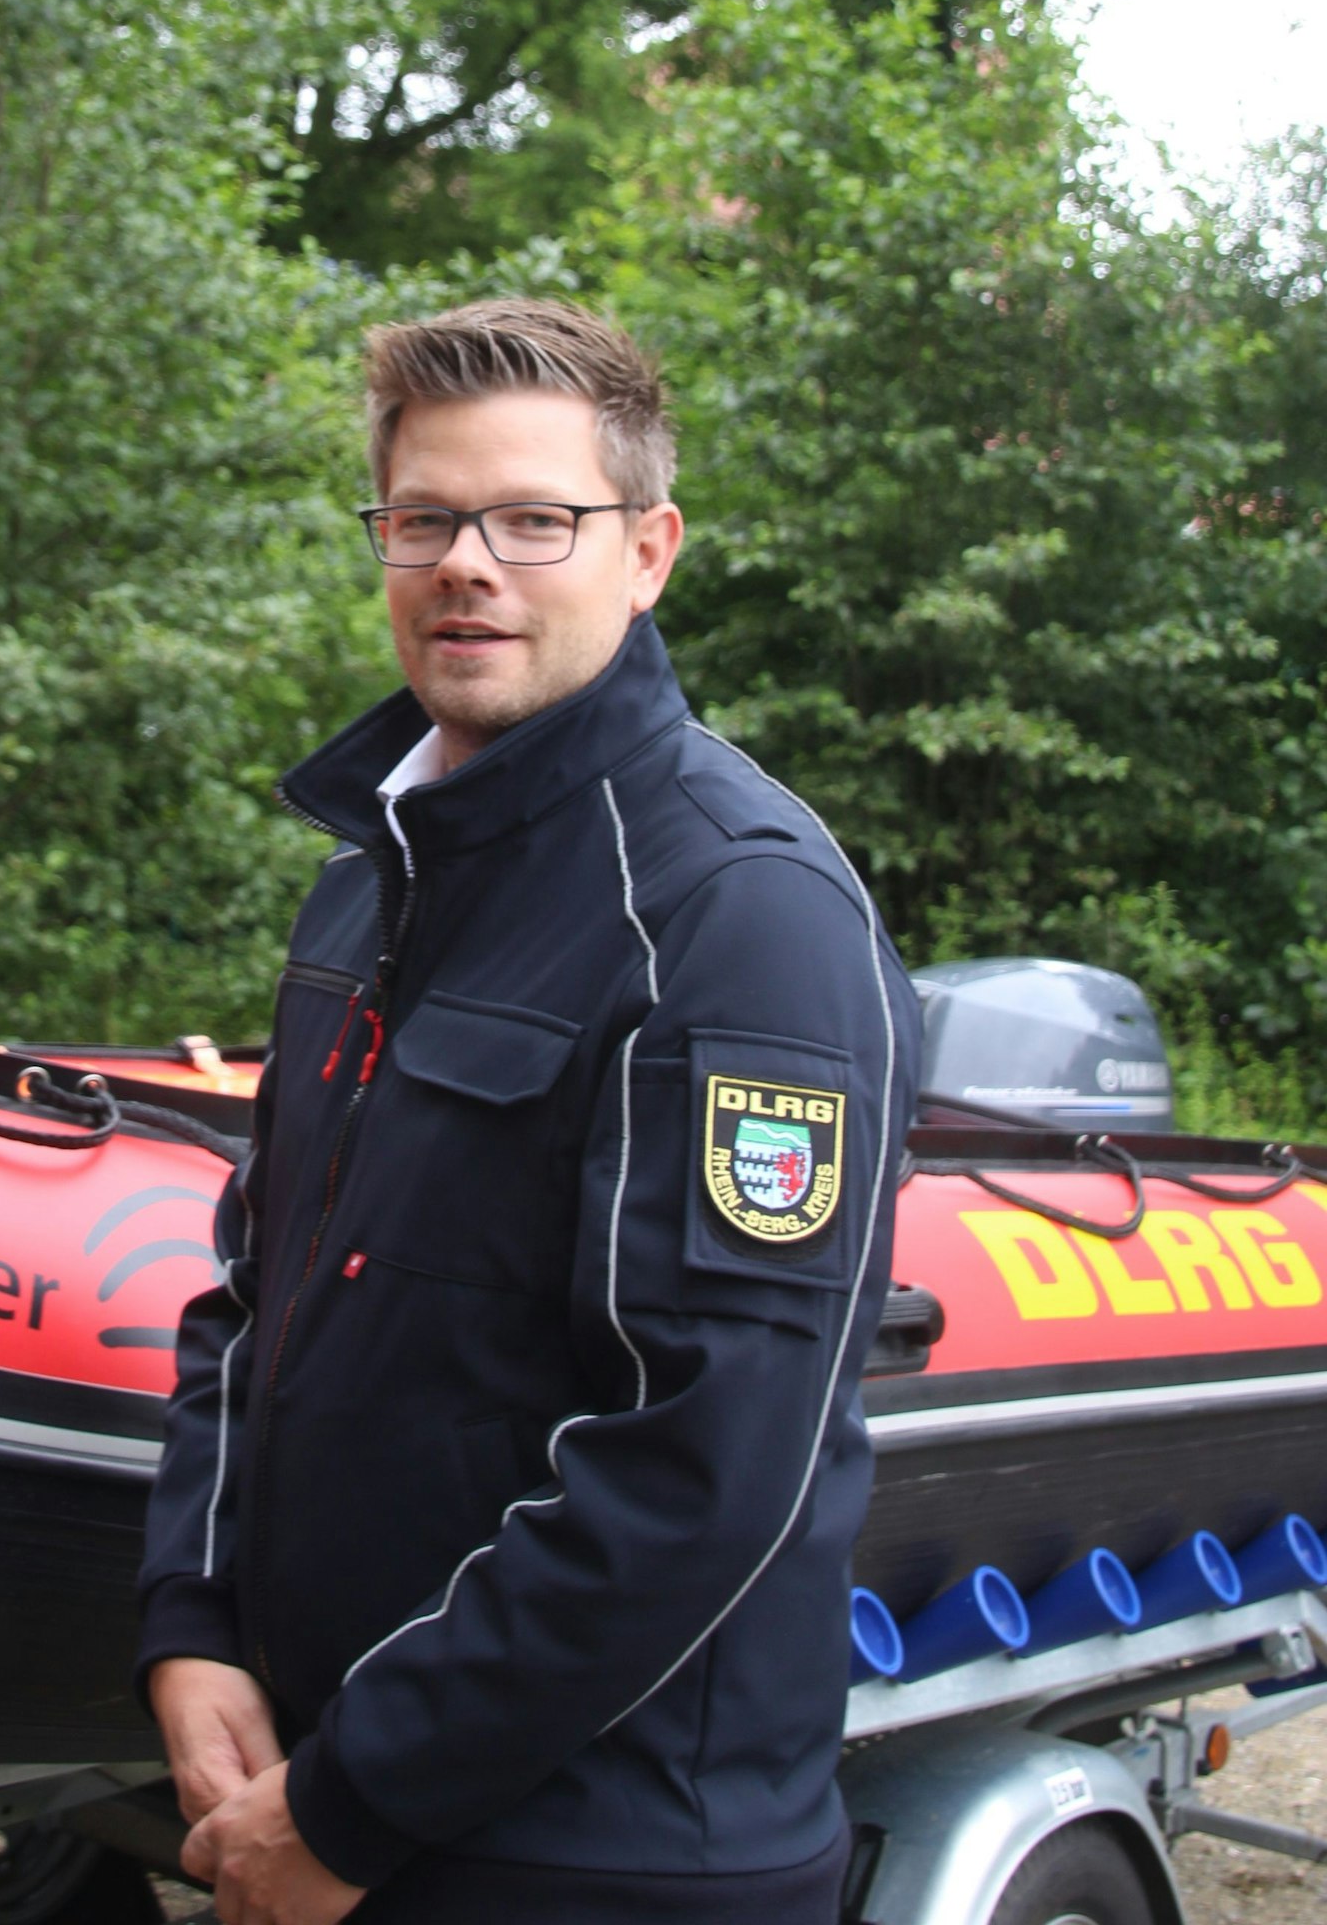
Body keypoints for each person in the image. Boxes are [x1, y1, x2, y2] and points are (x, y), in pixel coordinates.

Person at [136, 299, 920, 1925]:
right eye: (423, 517)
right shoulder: (369, 891)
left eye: (534, 520)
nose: (466, 563)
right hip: (320, 1798)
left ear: (649, 552)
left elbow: (707, 1465)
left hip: (596, 1856)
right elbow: (253, 1294)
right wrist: (194, 1623)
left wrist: (352, 1808)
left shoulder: (739, 914)